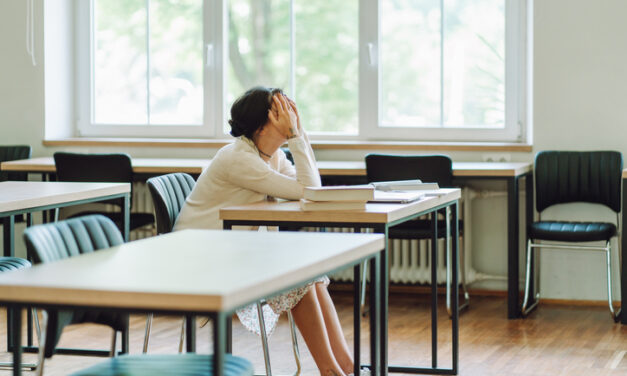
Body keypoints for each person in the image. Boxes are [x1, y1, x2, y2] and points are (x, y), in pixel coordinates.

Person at [175, 86, 366, 376]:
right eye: (281, 111)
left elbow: (312, 189)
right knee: (296, 278)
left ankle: (347, 366)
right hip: (200, 260)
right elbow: (311, 191)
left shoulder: (270, 156)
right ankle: (331, 371)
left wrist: (298, 134)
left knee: (309, 273)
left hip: (231, 251)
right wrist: (296, 136)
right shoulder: (239, 158)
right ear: (262, 126)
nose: (290, 114)